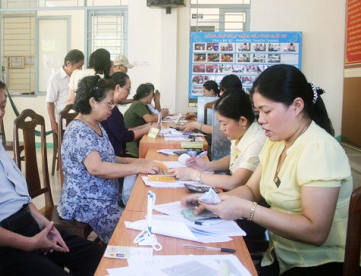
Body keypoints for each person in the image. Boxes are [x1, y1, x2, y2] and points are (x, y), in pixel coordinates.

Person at [182, 64, 352, 275]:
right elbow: (252, 191)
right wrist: (210, 201)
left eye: (267, 111)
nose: (260, 120)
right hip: (280, 256)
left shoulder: (319, 148)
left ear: (297, 106)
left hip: (318, 265)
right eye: (258, 111)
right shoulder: (276, 142)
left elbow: (315, 232)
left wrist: (247, 210)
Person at [0, 74, 103, 276]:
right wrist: (30, 244)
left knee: (96, 257)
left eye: (2, 106)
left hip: (28, 226)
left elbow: (22, 197)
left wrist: (44, 224)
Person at [58, 75, 160, 243]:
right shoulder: (78, 130)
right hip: (86, 205)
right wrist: (137, 168)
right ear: (92, 102)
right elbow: (97, 168)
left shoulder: (96, 125)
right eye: (109, 103)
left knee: (142, 215)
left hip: (104, 201)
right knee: (137, 235)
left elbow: (109, 158)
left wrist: (137, 162)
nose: (111, 109)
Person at [170, 89, 266, 191]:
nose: (221, 128)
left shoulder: (257, 141)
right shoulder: (241, 132)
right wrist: (206, 166)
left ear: (242, 121)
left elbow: (235, 183)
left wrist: (193, 174)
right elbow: (235, 159)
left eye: (224, 123)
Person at [101, 72, 151, 157]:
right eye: (127, 89)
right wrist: (145, 130)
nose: (129, 93)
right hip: (114, 157)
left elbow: (121, 130)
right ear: (117, 88)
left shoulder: (113, 108)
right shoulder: (110, 110)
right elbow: (123, 136)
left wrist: (143, 127)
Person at [46, 49, 84, 145]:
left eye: (82, 66)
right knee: (65, 151)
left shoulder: (79, 77)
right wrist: (53, 122)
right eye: (79, 66)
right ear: (68, 64)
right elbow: (50, 102)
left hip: (77, 120)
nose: (81, 69)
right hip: (62, 123)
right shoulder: (55, 78)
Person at [123, 83, 169, 157]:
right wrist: (161, 114)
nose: (153, 96)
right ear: (147, 94)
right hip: (132, 143)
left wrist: (161, 114)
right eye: (152, 94)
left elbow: (153, 116)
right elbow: (149, 119)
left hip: (139, 136)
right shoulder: (137, 104)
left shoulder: (143, 105)